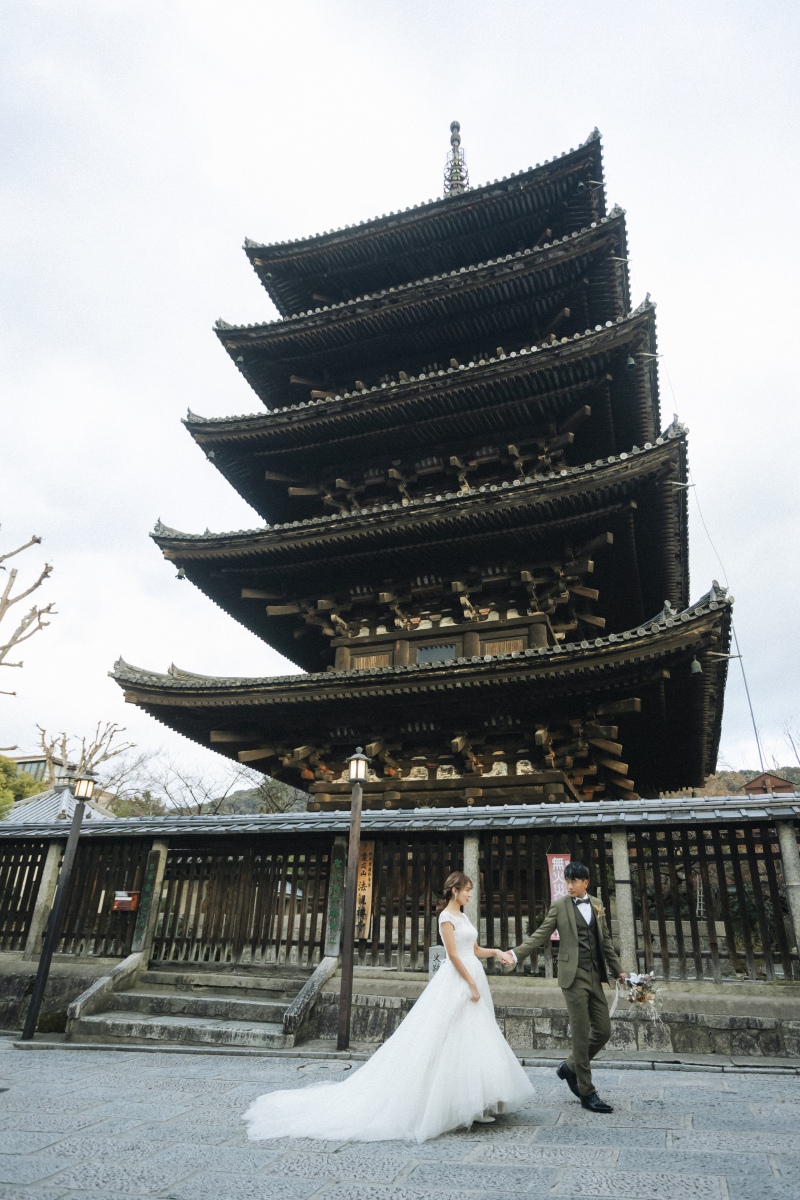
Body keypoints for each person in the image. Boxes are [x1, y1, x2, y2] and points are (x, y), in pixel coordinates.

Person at [243, 872, 535, 1143]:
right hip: (458, 979)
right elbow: (453, 956)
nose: (472, 895)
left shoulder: (463, 915)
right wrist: (470, 983)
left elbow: (472, 950)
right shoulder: (446, 917)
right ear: (455, 890)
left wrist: (496, 952)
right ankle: (459, 1103)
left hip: (473, 975)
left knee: (475, 1035)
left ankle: (478, 1100)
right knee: (447, 1036)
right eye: (468, 891)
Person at [506, 860, 626, 1113]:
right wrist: (516, 954)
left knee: (603, 1031)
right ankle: (587, 1092)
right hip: (573, 977)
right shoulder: (559, 906)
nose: (569, 886)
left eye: (574, 881)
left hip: (595, 976)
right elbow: (541, 934)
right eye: (566, 881)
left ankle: (569, 1067)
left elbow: (605, 942)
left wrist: (620, 972)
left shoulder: (597, 904)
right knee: (581, 1036)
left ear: (586, 882)